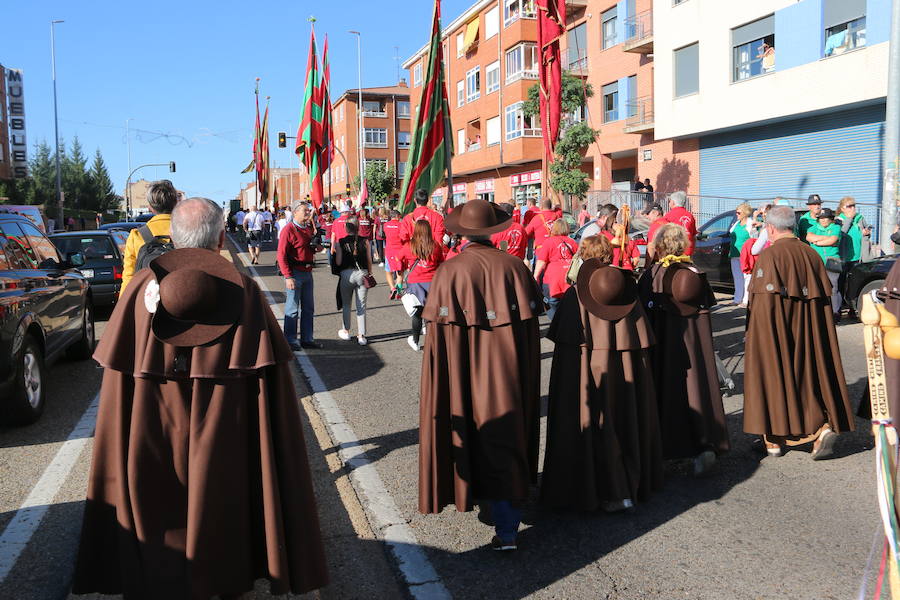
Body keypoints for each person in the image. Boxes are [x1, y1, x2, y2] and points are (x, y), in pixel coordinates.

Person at [72, 197, 328, 599]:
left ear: (171, 236)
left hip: (147, 422)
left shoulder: (140, 287)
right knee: (222, 492)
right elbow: (270, 386)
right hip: (227, 423)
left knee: (150, 495)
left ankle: (155, 574)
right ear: (222, 237)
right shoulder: (241, 289)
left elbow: (119, 377)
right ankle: (222, 575)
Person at [419, 199, 543, 551]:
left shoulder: (451, 271)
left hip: (465, 376)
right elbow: (531, 335)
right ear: (494, 232)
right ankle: (507, 527)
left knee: (472, 432)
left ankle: (487, 508)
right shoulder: (516, 267)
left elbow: (439, 341)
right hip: (509, 373)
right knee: (507, 435)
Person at [542, 236, 663, 511]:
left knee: (592, 422)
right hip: (624, 375)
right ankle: (625, 488)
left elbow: (567, 346)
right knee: (623, 418)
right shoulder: (626, 289)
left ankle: (595, 489)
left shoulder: (576, 295)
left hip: (591, 371)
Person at [743, 206, 854, 459]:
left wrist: (753, 335)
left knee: (771, 374)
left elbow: (762, 305)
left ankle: (774, 439)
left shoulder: (770, 257)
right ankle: (819, 428)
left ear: (770, 228)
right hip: (809, 329)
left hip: (777, 329)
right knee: (807, 375)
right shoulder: (811, 254)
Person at [638, 224, 730, 474]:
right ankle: (704, 442)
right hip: (695, 345)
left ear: (659, 246)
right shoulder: (694, 271)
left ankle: (668, 447)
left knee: (667, 390)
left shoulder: (653, 273)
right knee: (697, 388)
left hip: (665, 347)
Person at [278, 202, 324, 351]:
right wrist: (288, 276)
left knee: (309, 308)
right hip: (295, 273)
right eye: (305, 210)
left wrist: (317, 247)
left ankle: (307, 339)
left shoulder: (309, 229)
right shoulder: (289, 230)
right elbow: (281, 255)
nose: (308, 212)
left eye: (308, 210)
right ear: (295, 212)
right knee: (292, 308)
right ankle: (290, 340)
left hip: (308, 272)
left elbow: (309, 248)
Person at [121, 179, 178, 292]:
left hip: (147, 302)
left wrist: (123, 306)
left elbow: (129, 277)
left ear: (150, 207)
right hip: (179, 296)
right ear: (175, 203)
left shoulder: (136, 235)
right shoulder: (186, 230)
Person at [398, 220, 445, 351]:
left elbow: (398, 259)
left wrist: (401, 274)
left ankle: (415, 340)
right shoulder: (435, 246)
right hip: (432, 283)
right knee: (431, 314)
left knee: (417, 313)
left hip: (415, 284)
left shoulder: (409, 246)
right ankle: (433, 342)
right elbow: (441, 263)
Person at [334, 218, 371, 346]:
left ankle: (346, 331)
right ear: (358, 227)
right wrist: (369, 273)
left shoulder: (340, 242)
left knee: (346, 304)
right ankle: (362, 335)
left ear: (346, 228)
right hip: (362, 273)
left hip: (347, 274)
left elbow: (338, 262)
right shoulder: (365, 241)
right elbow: (369, 260)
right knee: (361, 305)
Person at [533, 219, 578, 319]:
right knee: (568, 302)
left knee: (551, 302)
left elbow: (541, 261)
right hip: (569, 275)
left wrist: (535, 275)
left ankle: (556, 323)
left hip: (553, 277)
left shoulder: (549, 242)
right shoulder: (572, 242)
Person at [837, 196, 872, 312]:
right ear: (842, 208)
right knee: (841, 283)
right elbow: (841, 233)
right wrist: (850, 219)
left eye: (853, 206)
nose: (852, 208)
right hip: (844, 257)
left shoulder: (860, 218)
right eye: (849, 206)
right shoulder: (839, 219)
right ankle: (840, 307)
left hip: (858, 256)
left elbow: (866, 233)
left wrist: (866, 233)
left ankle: (853, 308)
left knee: (854, 283)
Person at [806, 207, 843, 317]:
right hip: (817, 261)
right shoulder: (813, 228)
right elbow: (809, 237)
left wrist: (817, 242)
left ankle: (835, 312)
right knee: (818, 286)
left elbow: (833, 240)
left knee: (833, 287)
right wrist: (825, 238)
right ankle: (822, 312)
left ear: (831, 219)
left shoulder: (836, 227)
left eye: (826, 218)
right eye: (821, 218)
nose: (823, 220)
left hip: (832, 260)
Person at [729, 203, 755, 306]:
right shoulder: (737, 223)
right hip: (734, 254)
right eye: (736, 212)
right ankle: (737, 299)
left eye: (738, 212)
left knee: (747, 278)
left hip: (746, 255)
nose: (737, 214)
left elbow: (754, 238)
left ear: (745, 213)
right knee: (737, 277)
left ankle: (746, 300)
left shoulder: (751, 224)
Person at [600, 206, 640, 270]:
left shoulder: (603, 236)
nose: (619, 225)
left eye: (620, 222)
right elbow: (636, 259)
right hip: (627, 271)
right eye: (616, 222)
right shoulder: (629, 239)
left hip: (608, 270)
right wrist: (630, 266)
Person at [664, 191, 697, 255]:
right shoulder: (690, 215)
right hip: (688, 251)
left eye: (670, 201)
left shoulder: (669, 215)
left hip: (674, 252)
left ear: (673, 202)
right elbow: (693, 236)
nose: (669, 203)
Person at [382, 210, 405, 298]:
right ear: (398, 216)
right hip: (400, 251)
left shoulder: (385, 225)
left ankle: (392, 288)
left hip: (389, 251)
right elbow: (404, 237)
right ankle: (398, 291)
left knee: (388, 272)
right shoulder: (401, 225)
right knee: (400, 272)